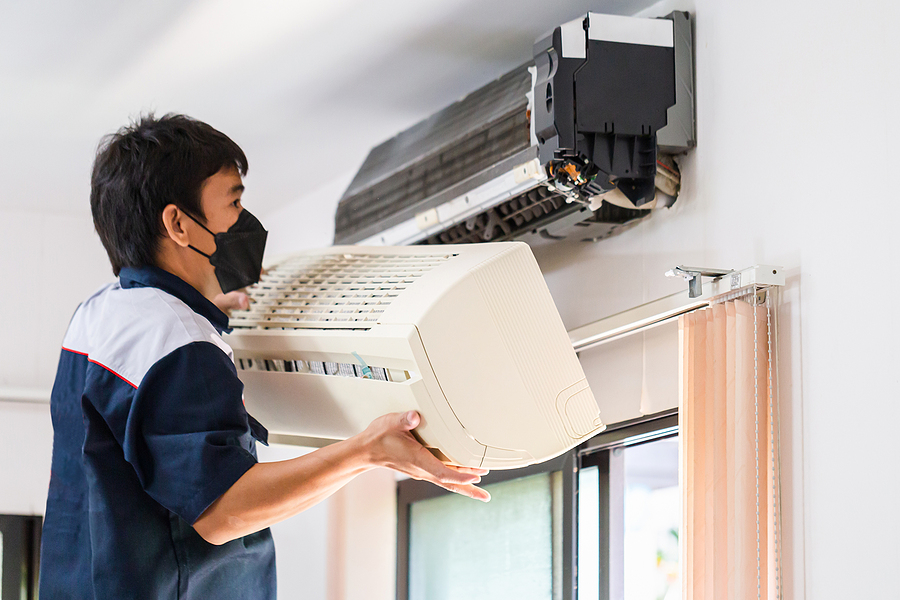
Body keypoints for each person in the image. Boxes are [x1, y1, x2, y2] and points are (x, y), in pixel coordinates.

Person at [40, 113, 489, 599]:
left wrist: (207, 308)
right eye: (234, 200)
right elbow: (223, 509)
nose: (245, 220)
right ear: (178, 223)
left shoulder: (97, 316)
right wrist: (367, 451)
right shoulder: (177, 340)